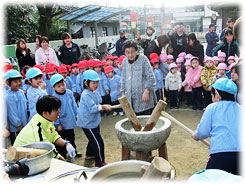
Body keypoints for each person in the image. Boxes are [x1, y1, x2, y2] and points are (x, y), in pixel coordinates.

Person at [192, 78, 241, 175]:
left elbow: (203, 132)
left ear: (217, 95)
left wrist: (196, 136)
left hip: (219, 155)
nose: (212, 98)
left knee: (213, 178)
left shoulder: (212, 108)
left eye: (212, 95)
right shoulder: (240, 108)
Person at [14, 95, 76, 162]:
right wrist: (60, 158)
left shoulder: (47, 119)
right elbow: (45, 148)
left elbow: (54, 135)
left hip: (34, 156)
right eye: (56, 110)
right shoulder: (37, 128)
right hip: (21, 160)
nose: (59, 112)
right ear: (45, 113)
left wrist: (67, 144)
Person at [77, 70, 111, 167]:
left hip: (94, 120)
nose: (96, 85)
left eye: (97, 82)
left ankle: (89, 154)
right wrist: (103, 107)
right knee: (98, 142)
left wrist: (102, 105)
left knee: (93, 139)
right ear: (86, 83)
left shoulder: (94, 92)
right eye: (93, 83)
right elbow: (92, 108)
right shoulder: (86, 94)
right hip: (87, 123)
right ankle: (99, 163)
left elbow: (99, 101)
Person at [121, 40, 156, 115]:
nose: (130, 54)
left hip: (144, 98)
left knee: (146, 122)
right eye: (127, 52)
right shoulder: (124, 61)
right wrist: (123, 94)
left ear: (137, 51)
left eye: (132, 51)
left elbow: (151, 77)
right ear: (124, 52)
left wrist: (147, 91)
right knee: (134, 123)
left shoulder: (143, 59)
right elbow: (123, 78)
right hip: (130, 99)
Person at [50, 74, 81, 159]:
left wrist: (76, 113)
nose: (62, 87)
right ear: (53, 87)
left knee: (71, 137)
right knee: (62, 139)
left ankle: (73, 150)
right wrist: (57, 124)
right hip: (61, 123)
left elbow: (74, 104)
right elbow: (55, 112)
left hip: (70, 120)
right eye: (58, 86)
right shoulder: (54, 97)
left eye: (63, 84)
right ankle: (63, 155)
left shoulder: (69, 92)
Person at [4, 70, 28, 145]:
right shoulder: (9, 96)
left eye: (19, 81)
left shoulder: (21, 92)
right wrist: (18, 125)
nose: (18, 83)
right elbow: (12, 113)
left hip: (24, 123)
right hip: (16, 128)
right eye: (15, 81)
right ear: (9, 83)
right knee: (17, 145)